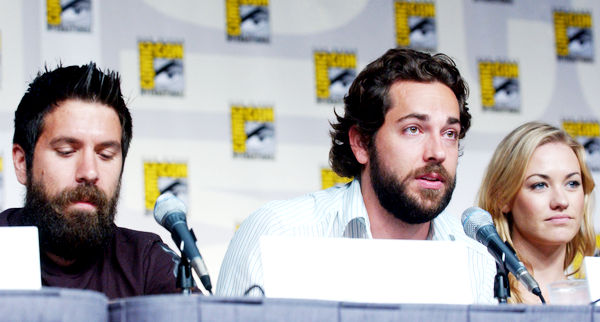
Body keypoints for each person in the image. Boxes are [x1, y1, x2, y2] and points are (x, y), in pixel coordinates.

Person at [216, 48, 496, 303]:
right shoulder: (277, 233)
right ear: (361, 143)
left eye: (450, 134)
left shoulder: (478, 257)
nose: (437, 152)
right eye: (413, 129)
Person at [0, 63, 180, 299]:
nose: (89, 172)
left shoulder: (148, 264)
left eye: (105, 155)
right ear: (22, 163)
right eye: (66, 151)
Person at [477, 121, 596, 304]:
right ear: (503, 198)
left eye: (572, 183)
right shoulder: (478, 296)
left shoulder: (595, 299)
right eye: (540, 185)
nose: (561, 201)